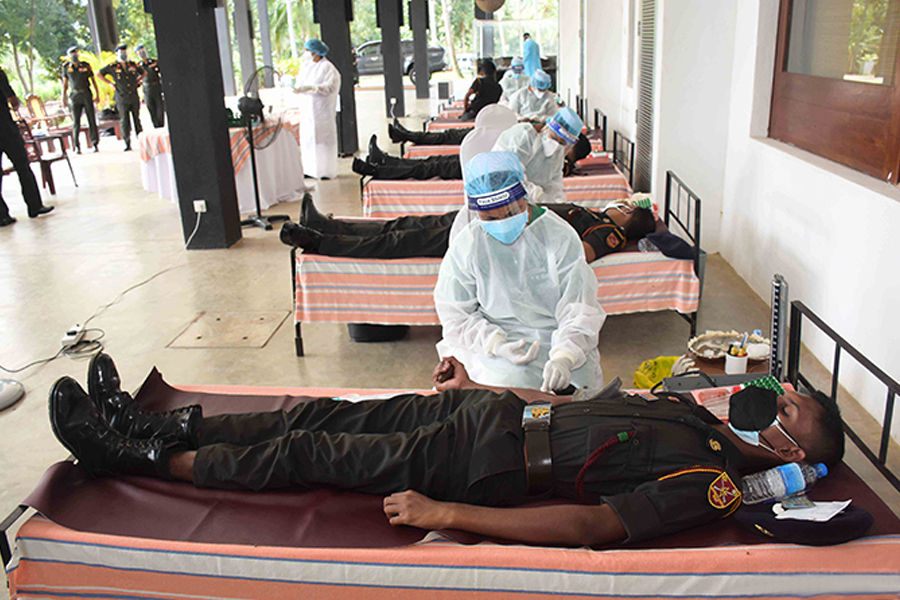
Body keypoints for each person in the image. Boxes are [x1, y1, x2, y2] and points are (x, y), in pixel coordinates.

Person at [48, 352, 844, 546]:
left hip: (480, 469)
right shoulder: (693, 415)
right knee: (316, 411)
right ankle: (155, 426)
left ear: (790, 453)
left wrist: (447, 512)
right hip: (487, 416)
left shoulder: (707, 479)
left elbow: (589, 527)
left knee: (306, 453)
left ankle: (128, 460)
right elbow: (569, 405)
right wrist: (477, 384)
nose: (778, 397)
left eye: (792, 410)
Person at [434, 150, 605, 393]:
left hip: (559, 338)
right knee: (501, 402)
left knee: (578, 400)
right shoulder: (469, 244)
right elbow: (456, 314)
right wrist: (496, 344)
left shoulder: (559, 236)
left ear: (525, 196)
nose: (502, 223)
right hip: (495, 343)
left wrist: (564, 356)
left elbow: (579, 308)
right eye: (490, 218)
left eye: (512, 212)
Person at [281, 193, 656, 264]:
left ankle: (318, 243)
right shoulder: (594, 214)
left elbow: (581, 255)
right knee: (401, 224)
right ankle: (325, 224)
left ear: (627, 223)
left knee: (396, 242)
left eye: (625, 208)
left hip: (496, 232)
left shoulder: (609, 234)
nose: (618, 206)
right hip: (484, 216)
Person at [352, 107, 587, 204]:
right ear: (550, 128)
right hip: (490, 174)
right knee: (432, 164)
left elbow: (554, 186)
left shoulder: (558, 157)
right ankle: (382, 163)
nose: (559, 147)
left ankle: (382, 164)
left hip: (492, 172)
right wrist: (535, 193)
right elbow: (511, 173)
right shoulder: (524, 136)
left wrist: (558, 204)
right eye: (558, 140)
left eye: (564, 145)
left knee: (431, 165)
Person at [0, 66, 53, 227]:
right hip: (6, 130)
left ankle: (2, 216)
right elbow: (13, 101)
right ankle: (35, 206)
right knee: (23, 167)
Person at [293, 38, 341, 179]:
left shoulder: (328, 68)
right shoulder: (305, 66)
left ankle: (326, 171)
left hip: (322, 110)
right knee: (308, 140)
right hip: (308, 109)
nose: (306, 53)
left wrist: (313, 88)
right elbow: (300, 83)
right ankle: (309, 170)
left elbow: (331, 87)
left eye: (308, 50)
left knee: (323, 141)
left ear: (316, 52)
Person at [99, 43, 144, 151]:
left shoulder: (132, 65)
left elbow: (143, 73)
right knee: (125, 121)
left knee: (136, 119)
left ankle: (142, 141)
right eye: (121, 53)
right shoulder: (113, 66)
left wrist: (137, 80)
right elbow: (99, 74)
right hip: (121, 97)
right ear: (117, 54)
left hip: (133, 96)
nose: (123, 54)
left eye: (125, 52)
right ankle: (127, 143)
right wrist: (110, 83)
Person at [61, 46, 100, 153]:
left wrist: (97, 94)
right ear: (69, 56)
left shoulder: (86, 65)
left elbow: (93, 80)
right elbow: (64, 84)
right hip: (75, 95)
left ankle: (95, 143)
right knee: (76, 122)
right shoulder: (66, 67)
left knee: (91, 119)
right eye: (72, 54)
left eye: (76, 53)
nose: (75, 55)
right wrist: (63, 99)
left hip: (86, 94)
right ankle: (77, 146)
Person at [136, 44, 164, 128]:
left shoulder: (154, 62)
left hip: (156, 87)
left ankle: (161, 125)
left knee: (160, 108)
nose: (142, 53)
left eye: (143, 51)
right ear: (137, 55)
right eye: (140, 52)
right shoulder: (138, 66)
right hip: (147, 89)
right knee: (151, 109)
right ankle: (156, 125)